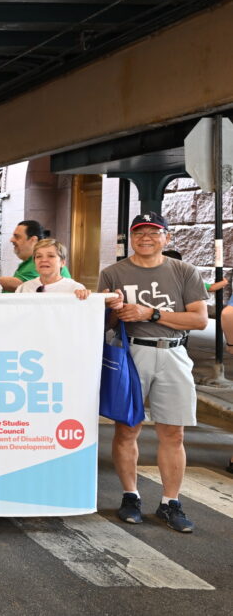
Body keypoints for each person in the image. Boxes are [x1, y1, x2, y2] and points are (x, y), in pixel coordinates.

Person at [98, 212, 208, 533]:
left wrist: (152, 312)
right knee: (127, 429)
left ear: (167, 238)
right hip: (131, 353)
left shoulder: (184, 271)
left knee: (174, 433)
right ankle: (130, 496)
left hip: (173, 353)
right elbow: (102, 324)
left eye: (154, 232)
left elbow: (199, 320)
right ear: (131, 237)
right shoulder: (113, 273)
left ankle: (170, 502)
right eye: (139, 232)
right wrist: (112, 309)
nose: (146, 237)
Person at [0, 220, 69, 292]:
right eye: (38, 257)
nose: (12, 240)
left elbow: (22, 285)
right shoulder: (29, 262)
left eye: (17, 237)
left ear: (33, 240)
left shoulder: (40, 263)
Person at [16, 239, 90, 300]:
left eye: (51, 256)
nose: (43, 260)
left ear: (62, 262)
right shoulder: (24, 288)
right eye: (38, 256)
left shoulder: (75, 289)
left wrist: (84, 295)